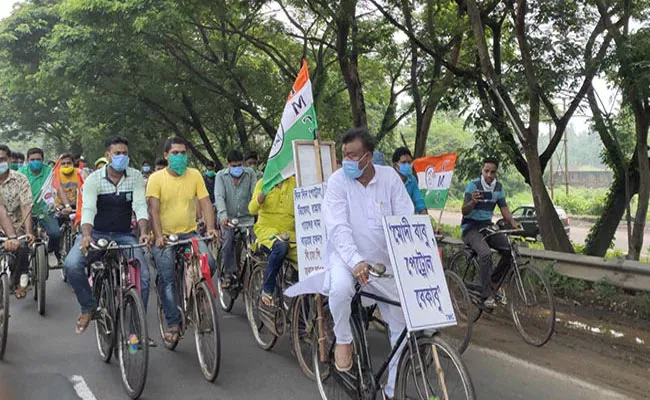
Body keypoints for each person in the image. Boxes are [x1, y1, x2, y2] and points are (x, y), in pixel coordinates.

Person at [325, 128, 414, 400]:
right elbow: (338, 226)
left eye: (352, 155)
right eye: (344, 155)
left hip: (383, 266)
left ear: (368, 156)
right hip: (347, 258)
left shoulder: (389, 178)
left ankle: (390, 391)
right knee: (339, 289)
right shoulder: (338, 181)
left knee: (404, 326)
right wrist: (355, 260)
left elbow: (406, 218)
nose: (346, 161)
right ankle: (343, 339)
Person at [63, 136, 150, 335]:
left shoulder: (135, 177)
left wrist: (144, 232)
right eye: (117, 153)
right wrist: (86, 236)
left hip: (124, 236)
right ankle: (88, 307)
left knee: (143, 276)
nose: (122, 157)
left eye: (125, 153)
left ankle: (137, 329)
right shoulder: (94, 180)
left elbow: (140, 207)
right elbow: (88, 210)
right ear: (107, 156)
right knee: (72, 265)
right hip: (97, 234)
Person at [147, 136, 218, 346]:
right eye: (175, 153)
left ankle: (196, 294)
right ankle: (173, 323)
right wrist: (158, 236)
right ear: (166, 156)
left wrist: (211, 228)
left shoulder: (195, 175)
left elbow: (205, 203)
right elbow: (154, 210)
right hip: (165, 236)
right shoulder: (156, 178)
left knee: (210, 264)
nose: (180, 156)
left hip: (189, 233)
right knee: (167, 277)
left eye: (183, 153)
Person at [461, 157, 520, 309]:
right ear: (482, 170)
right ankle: (486, 295)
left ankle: (492, 283)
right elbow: (464, 210)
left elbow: (504, 209)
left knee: (510, 250)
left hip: (487, 226)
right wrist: (472, 202)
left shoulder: (498, 188)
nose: (489, 175)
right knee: (485, 253)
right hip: (471, 227)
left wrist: (514, 224)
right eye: (486, 171)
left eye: (492, 172)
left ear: (496, 173)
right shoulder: (473, 185)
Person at [216, 150, 256, 287]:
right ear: (228, 165)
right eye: (233, 166)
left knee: (257, 244)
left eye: (239, 165)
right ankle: (228, 273)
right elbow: (219, 197)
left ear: (243, 163)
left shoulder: (250, 174)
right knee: (227, 242)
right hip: (228, 218)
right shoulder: (220, 176)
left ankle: (255, 271)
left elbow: (254, 194)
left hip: (247, 218)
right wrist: (223, 215)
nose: (236, 168)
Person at [18, 148, 63, 267]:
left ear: (43, 160)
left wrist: (67, 205)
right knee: (24, 239)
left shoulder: (50, 172)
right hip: (27, 212)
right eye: (32, 160)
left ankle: (52, 251)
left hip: (45, 211)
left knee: (55, 233)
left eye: (38, 159)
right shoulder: (21, 173)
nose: (35, 162)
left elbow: (59, 188)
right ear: (27, 160)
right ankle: (24, 269)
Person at [0, 144, 34, 299]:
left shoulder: (20, 179)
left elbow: (26, 206)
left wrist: (28, 232)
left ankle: (18, 279)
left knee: (22, 247)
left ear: (9, 160)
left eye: (2, 159)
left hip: (17, 225)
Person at [391, 147, 427, 215]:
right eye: (404, 162)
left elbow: (418, 199)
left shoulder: (412, 180)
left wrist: (425, 215)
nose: (407, 165)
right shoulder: (389, 179)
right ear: (396, 165)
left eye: (409, 162)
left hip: (407, 215)